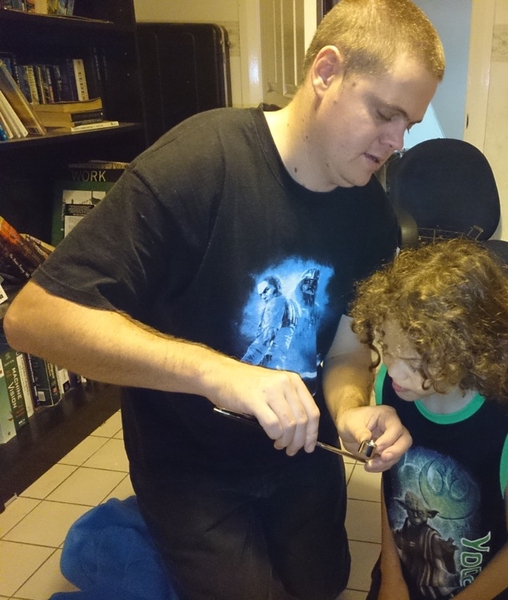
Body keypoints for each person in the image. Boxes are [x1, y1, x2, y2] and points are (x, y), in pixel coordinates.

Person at [2, 1, 445, 598]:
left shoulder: (371, 216)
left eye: (408, 125)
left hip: (298, 453)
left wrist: (349, 413)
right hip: (189, 463)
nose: (396, 143)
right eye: (385, 114)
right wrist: (219, 375)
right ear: (326, 72)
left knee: (322, 584)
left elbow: (343, 354)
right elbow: (32, 319)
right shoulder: (201, 161)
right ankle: (119, 534)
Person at [350, 238, 508, 600]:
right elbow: (392, 493)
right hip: (403, 579)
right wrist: (392, 578)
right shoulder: (389, 392)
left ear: (469, 352)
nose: (395, 372)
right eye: (388, 349)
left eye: (416, 362)